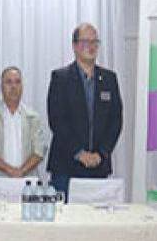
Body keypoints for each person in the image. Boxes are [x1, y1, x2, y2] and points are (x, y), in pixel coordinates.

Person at [46, 23, 123, 198]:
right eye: (86, 41)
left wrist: (101, 154)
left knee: (97, 214)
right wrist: (79, 153)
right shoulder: (60, 78)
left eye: (95, 41)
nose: (91, 46)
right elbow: (57, 121)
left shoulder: (109, 79)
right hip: (66, 165)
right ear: (74, 46)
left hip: (99, 166)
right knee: (64, 214)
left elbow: (116, 121)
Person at [0, 66, 49, 180]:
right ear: (1, 87)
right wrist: (9, 170)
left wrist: (21, 171)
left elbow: (39, 150)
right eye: (8, 82)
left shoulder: (33, 117)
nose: (13, 87)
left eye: (17, 82)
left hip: (27, 181)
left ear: (22, 86)